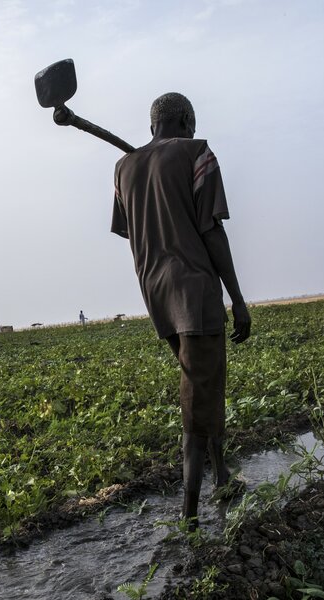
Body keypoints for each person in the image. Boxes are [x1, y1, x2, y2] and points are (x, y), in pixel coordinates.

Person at [110, 92, 251, 528]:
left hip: (157, 293)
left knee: (203, 386)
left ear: (153, 125)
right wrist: (238, 299)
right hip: (195, 292)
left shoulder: (124, 168)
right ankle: (189, 517)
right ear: (186, 120)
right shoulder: (197, 153)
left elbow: (128, 229)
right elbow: (211, 231)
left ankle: (222, 474)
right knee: (196, 404)